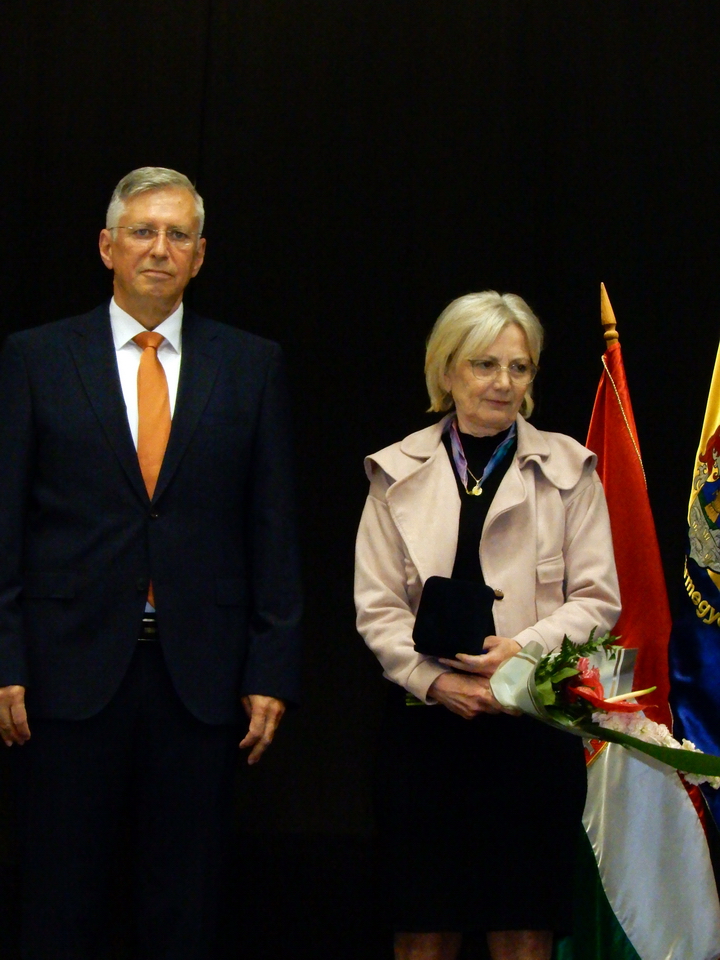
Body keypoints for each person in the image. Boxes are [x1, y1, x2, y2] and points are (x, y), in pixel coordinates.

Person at [0, 167, 302, 959]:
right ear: (108, 247)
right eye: (142, 232)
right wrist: (6, 659)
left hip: (201, 679)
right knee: (60, 902)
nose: (159, 249)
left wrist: (271, 666)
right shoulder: (35, 358)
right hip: (63, 676)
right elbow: (6, 520)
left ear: (200, 256)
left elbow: (272, 526)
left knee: (185, 907)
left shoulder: (251, 364)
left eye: (178, 235)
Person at [355, 291, 620, 960]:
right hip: (424, 730)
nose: (503, 382)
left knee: (524, 927)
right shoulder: (394, 470)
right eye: (484, 364)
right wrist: (433, 682)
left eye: (519, 367)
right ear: (446, 370)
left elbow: (598, 599)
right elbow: (376, 606)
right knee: (422, 927)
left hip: (528, 728)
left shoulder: (571, 469)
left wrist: (521, 653)